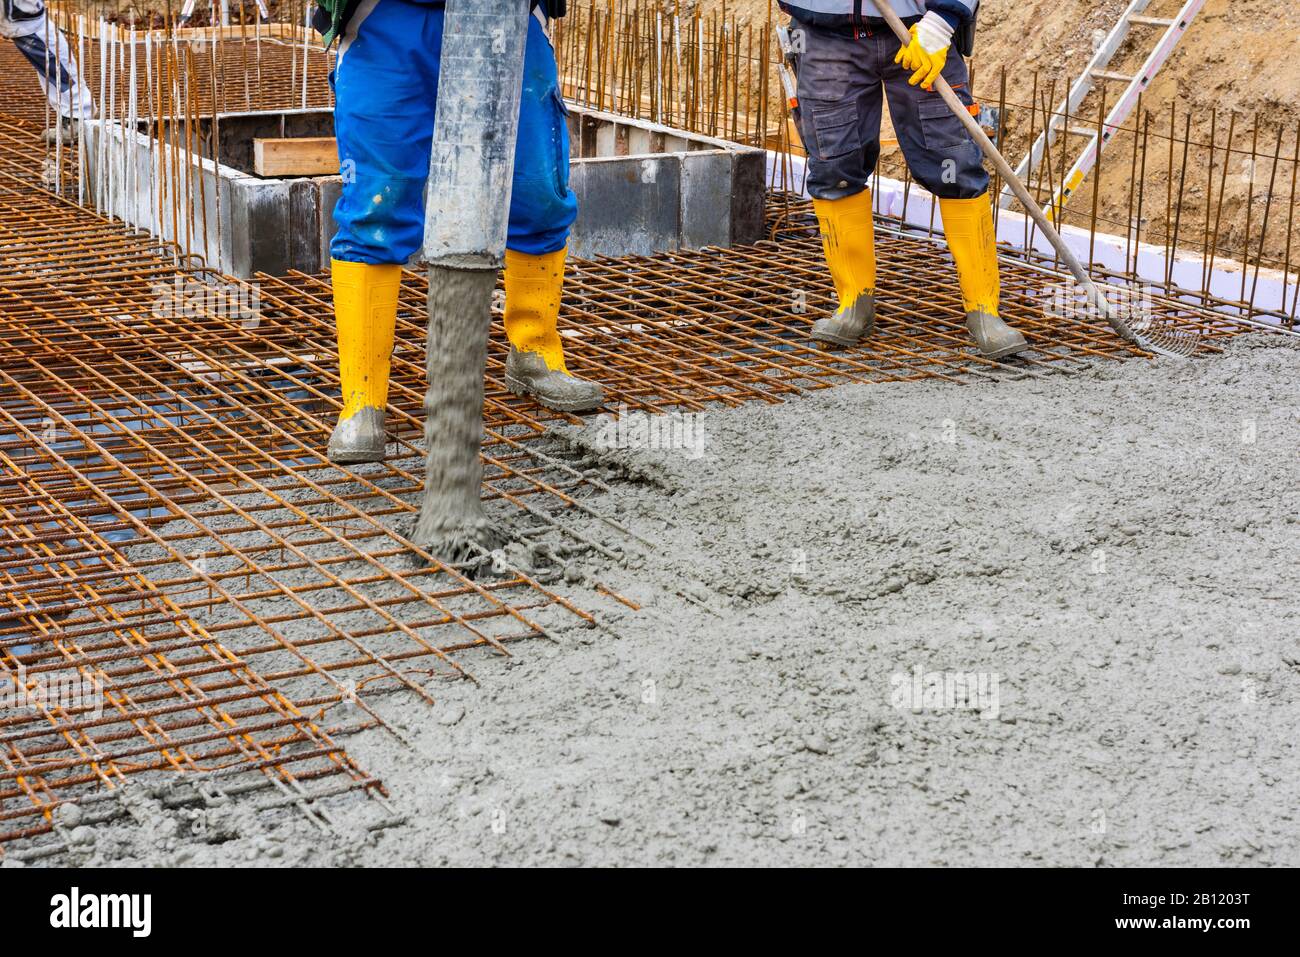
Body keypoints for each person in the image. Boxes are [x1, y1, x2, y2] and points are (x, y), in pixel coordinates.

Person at [313, 0, 604, 466]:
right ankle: (362, 402)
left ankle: (534, 351)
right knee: (376, 205)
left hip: (504, 12)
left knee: (536, 190)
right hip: (385, 15)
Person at [780, 0, 1028, 358]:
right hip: (823, 32)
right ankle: (854, 303)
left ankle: (984, 310)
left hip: (918, 29)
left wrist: (943, 21)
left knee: (953, 163)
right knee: (834, 166)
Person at [1, 0, 95, 143]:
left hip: (22, 16)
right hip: (20, 16)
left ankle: (79, 117)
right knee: (47, 62)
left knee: (51, 61)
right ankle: (78, 113)